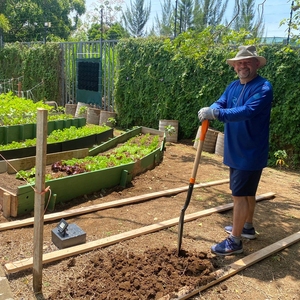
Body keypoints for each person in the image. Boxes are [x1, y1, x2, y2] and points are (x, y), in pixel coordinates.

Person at [198, 45, 273, 256]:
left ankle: (235, 241)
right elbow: (221, 102)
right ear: (234, 67)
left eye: (247, 62)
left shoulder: (263, 87)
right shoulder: (233, 86)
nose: (242, 66)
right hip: (235, 148)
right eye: (239, 63)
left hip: (250, 151)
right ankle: (247, 227)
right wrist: (211, 109)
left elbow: (247, 111)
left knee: (239, 196)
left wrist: (216, 114)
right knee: (248, 192)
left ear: (256, 64)